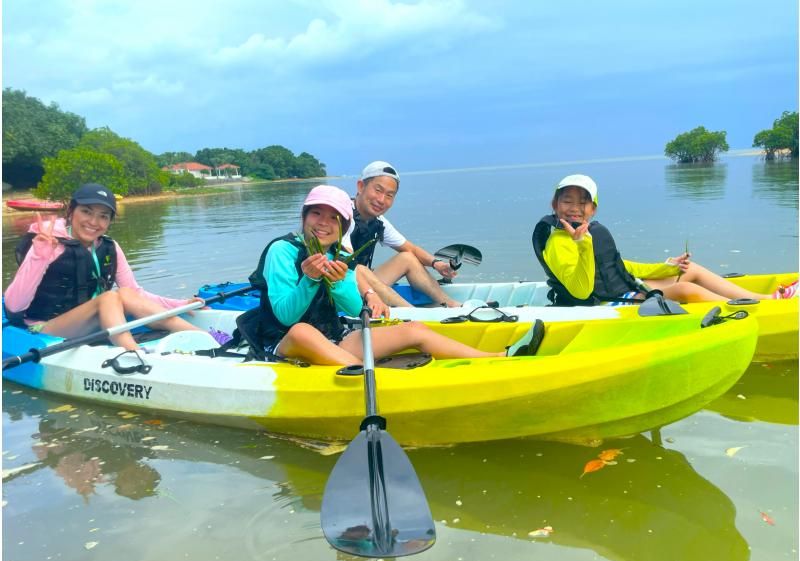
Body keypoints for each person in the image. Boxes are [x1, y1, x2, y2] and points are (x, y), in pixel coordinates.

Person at [248, 185, 541, 366]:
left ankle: (500, 358)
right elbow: (286, 317)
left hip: (333, 338)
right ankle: (369, 376)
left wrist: (338, 284)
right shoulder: (282, 251)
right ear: (304, 217)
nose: (323, 223)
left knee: (415, 329)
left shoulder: (338, 255)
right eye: (316, 214)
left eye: (332, 218)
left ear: (343, 226)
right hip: (284, 341)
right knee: (302, 331)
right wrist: (310, 280)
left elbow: (354, 307)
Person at [531, 174, 798, 306]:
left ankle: (765, 299)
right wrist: (582, 246)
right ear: (555, 205)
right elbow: (580, 290)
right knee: (685, 290)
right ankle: (749, 311)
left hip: (619, 289)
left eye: (583, 202)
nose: (574, 208)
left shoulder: (591, 232)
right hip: (600, 303)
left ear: (593, 209)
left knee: (689, 271)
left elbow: (619, 267)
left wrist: (667, 267)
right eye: (567, 201)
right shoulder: (558, 243)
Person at [4, 183, 202, 350]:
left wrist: (178, 304)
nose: (93, 222)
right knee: (109, 298)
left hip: (90, 321)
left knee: (125, 293)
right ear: (71, 211)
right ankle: (134, 353)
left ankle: (204, 338)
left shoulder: (110, 246)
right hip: (45, 328)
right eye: (86, 211)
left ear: (109, 221)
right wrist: (39, 257)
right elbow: (13, 306)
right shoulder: (47, 244)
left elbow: (135, 294)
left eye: (103, 216)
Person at [343, 161, 462, 318]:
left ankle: (451, 304)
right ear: (360, 186)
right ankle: (413, 314)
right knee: (359, 268)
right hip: (338, 288)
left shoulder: (378, 222)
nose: (381, 199)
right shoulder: (341, 214)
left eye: (389, 195)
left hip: (362, 284)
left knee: (407, 258)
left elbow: (410, 249)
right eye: (378, 190)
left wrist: (437, 264)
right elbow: (349, 267)